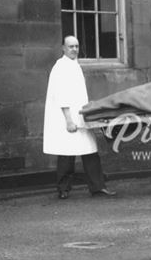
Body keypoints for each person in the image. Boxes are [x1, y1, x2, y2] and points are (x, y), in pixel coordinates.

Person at [42, 35, 115, 199]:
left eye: (76, 46)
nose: (74, 49)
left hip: (80, 115)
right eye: (70, 46)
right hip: (68, 117)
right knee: (67, 154)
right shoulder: (61, 67)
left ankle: (97, 187)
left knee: (90, 151)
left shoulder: (75, 65)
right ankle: (63, 189)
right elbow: (61, 96)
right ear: (63, 48)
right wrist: (68, 120)